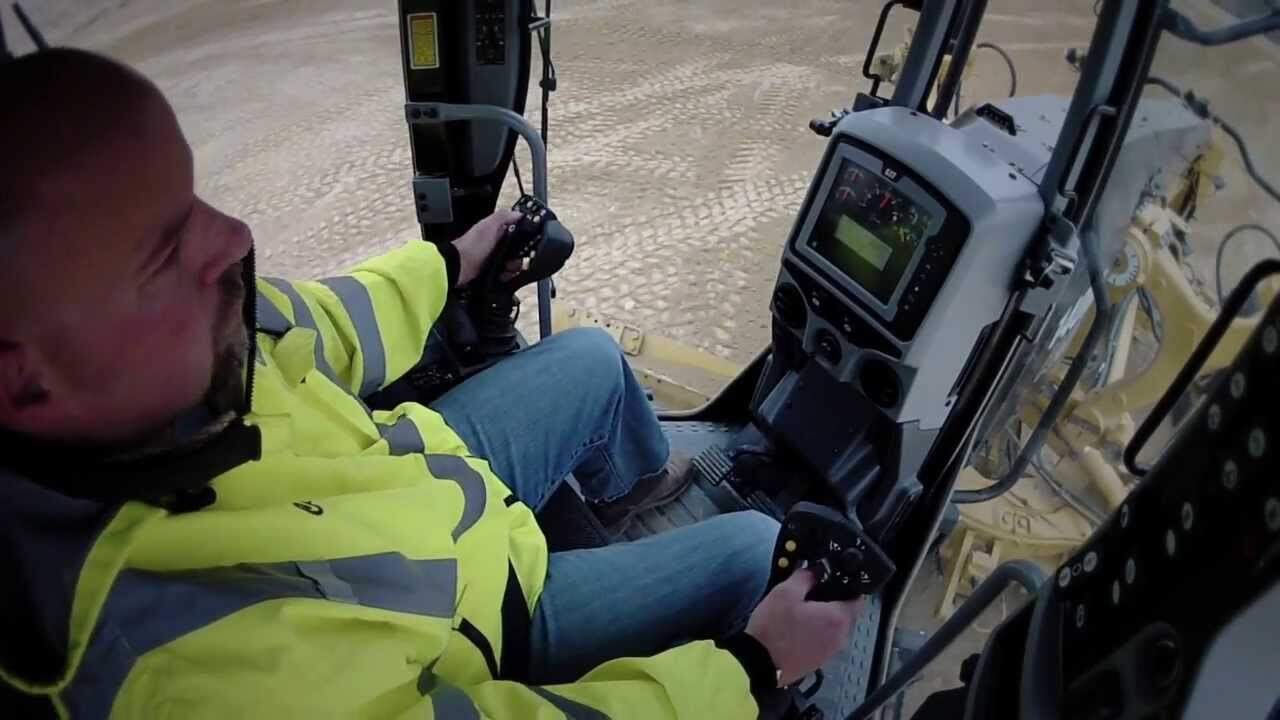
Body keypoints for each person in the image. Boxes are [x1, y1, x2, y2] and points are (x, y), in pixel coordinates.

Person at [0, 49, 863, 718]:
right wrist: (751, 669)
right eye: (164, 250)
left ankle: (631, 493)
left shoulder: (179, 333)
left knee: (595, 358)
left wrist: (455, 261)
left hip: (422, 477)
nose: (233, 239)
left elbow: (328, 321)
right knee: (758, 550)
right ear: (20, 379)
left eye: (192, 201)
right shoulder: (176, 672)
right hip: (481, 622)